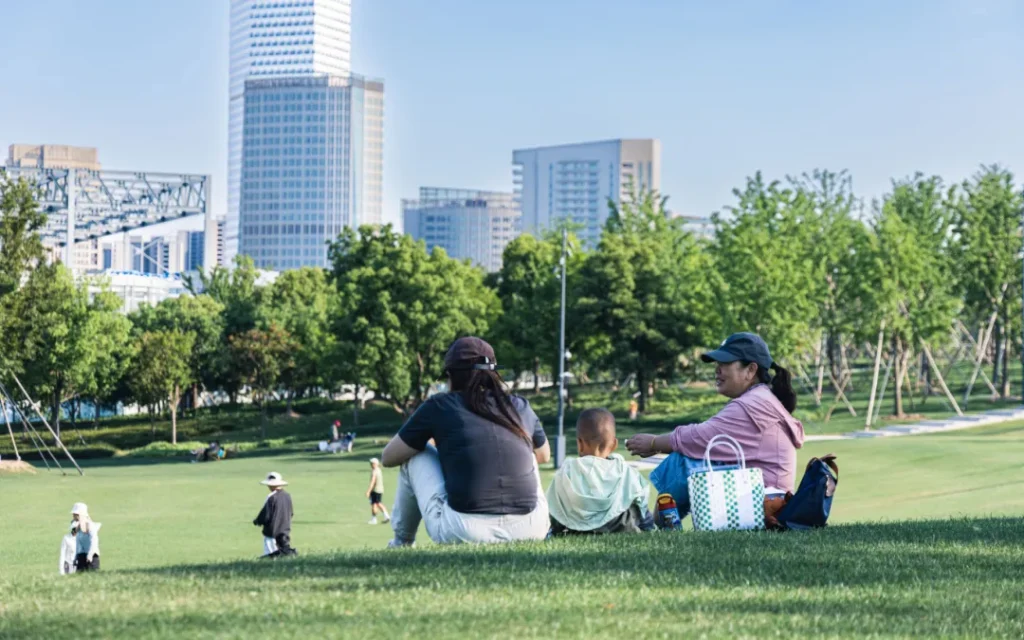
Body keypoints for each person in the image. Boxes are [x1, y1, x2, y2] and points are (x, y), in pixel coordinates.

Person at [380, 336, 551, 546]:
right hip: (532, 529)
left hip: (466, 531)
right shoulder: (520, 405)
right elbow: (544, 455)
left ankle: (402, 542)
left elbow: (389, 457)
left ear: (451, 375)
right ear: (494, 373)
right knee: (527, 450)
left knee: (416, 452)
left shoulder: (440, 405)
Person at [625, 332, 805, 512]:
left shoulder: (752, 404)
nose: (718, 369)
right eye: (718, 363)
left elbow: (697, 438)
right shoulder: (761, 398)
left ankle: (660, 528)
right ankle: (661, 526)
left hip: (767, 506)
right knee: (690, 457)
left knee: (683, 461)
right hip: (771, 500)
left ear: (751, 370)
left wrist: (654, 443)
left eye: (725, 363)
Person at [547, 408, 655, 535]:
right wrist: (648, 527)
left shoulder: (567, 470)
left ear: (579, 444)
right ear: (614, 445)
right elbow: (640, 501)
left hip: (575, 530)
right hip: (621, 526)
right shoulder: (624, 470)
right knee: (634, 498)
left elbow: (554, 506)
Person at [253, 471, 296, 557]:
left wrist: (257, 521)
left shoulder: (271, 497)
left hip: (272, 532)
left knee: (272, 556)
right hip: (285, 531)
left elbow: (266, 515)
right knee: (283, 553)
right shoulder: (287, 496)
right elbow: (291, 513)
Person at [69, 502, 101, 572]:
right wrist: (75, 557)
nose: (74, 516)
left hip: (92, 556)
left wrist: (90, 554)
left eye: (76, 515)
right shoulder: (77, 526)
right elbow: (73, 536)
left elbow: (94, 541)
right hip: (81, 556)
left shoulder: (90, 525)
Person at [366, 458, 391, 525]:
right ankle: (386, 516)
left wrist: (368, 491)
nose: (371, 465)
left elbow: (373, 482)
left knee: (374, 504)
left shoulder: (374, 471)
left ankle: (374, 519)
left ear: (375, 464)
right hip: (380, 489)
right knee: (378, 503)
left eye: (372, 463)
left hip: (375, 490)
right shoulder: (379, 470)